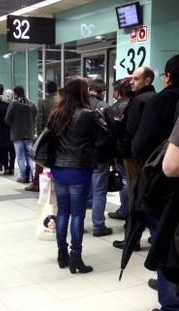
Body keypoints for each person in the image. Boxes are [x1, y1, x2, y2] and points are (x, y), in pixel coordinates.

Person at [132, 55, 179, 311]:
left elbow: (142, 145)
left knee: (166, 244)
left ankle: (170, 301)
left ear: (167, 77)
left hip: (164, 190)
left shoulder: (158, 101)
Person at [47, 78, 108, 273]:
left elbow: (49, 137)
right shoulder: (89, 114)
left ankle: (61, 254)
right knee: (78, 215)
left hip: (58, 167)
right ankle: (76, 257)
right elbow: (104, 136)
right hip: (79, 168)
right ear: (83, 92)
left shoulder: (56, 112)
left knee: (63, 212)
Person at [113, 66, 156, 251]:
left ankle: (132, 240)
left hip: (135, 158)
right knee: (152, 197)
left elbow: (130, 130)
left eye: (136, 79)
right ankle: (155, 237)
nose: (131, 81)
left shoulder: (138, 101)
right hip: (155, 157)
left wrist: (124, 150)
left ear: (147, 81)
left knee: (135, 198)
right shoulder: (158, 98)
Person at [87, 79, 113, 237]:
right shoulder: (105, 107)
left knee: (80, 190)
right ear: (102, 91)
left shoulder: (78, 105)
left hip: (81, 156)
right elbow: (111, 131)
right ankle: (98, 225)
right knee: (99, 191)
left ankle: (78, 224)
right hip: (100, 155)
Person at [108, 79, 133, 220]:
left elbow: (112, 133)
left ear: (118, 91)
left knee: (124, 180)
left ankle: (125, 210)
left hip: (121, 151)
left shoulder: (115, 108)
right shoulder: (135, 104)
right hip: (135, 150)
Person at [26, 81, 58, 192]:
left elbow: (39, 121)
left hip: (47, 135)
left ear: (46, 90)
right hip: (60, 137)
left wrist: (39, 137)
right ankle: (55, 183)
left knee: (39, 161)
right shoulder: (62, 100)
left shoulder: (43, 102)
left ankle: (36, 184)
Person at [5, 86, 37, 183]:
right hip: (29, 133)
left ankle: (23, 177)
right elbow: (35, 117)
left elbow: (7, 120)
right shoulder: (32, 104)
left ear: (15, 93)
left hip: (17, 133)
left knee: (20, 156)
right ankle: (33, 177)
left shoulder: (13, 104)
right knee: (30, 156)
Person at [0, 85, 15, 175]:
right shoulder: (14, 106)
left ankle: (6, 168)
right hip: (13, 131)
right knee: (12, 151)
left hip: (2, 132)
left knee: (3, 151)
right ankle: (12, 168)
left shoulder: (1, 107)